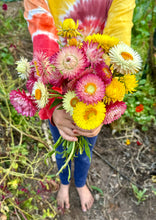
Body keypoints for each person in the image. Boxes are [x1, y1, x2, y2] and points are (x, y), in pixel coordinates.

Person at [24, 0, 135, 212]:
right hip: (56, 91)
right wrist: (52, 103)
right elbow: (41, 32)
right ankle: (64, 183)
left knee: (86, 148)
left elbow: (119, 40)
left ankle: (80, 182)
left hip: (98, 91)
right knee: (60, 146)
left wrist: (105, 101)